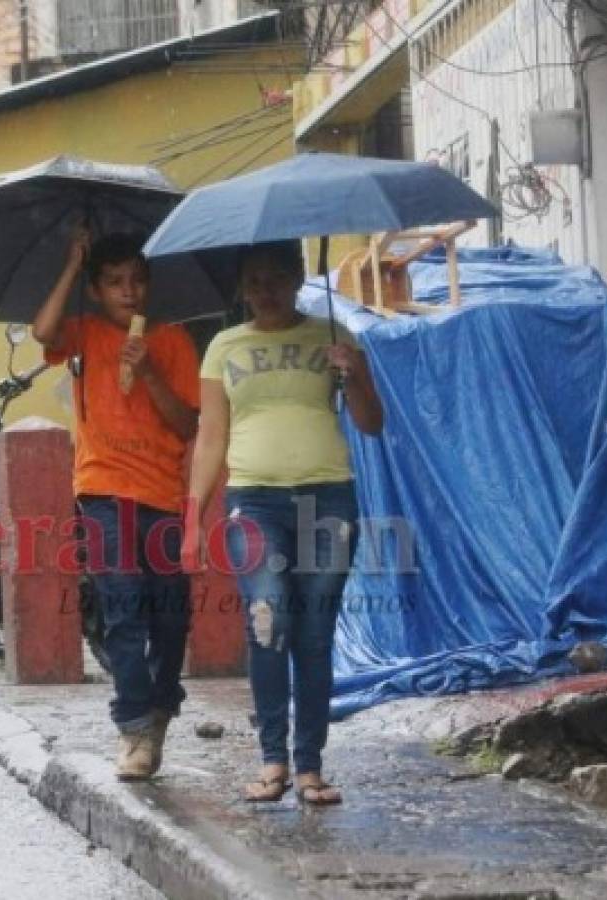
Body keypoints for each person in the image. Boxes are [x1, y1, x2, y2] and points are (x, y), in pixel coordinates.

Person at [183, 241, 384, 806]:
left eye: (276, 278)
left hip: (328, 498)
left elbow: (373, 424)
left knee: (315, 635)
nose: (265, 290)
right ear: (241, 288)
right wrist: (194, 515)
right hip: (254, 502)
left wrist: (358, 375)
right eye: (254, 281)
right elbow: (212, 435)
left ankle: (310, 768)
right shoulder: (224, 346)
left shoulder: (333, 337)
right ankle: (272, 761)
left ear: (298, 278)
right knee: (268, 623)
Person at [33, 231, 200, 781]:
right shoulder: (82, 335)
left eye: (135, 280)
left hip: (163, 495)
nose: (127, 292)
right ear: (97, 291)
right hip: (102, 489)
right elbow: (42, 331)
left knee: (170, 615)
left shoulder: (172, 340)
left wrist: (148, 370)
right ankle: (133, 727)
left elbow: (187, 423)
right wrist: (69, 265)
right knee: (123, 607)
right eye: (112, 283)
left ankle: (159, 708)